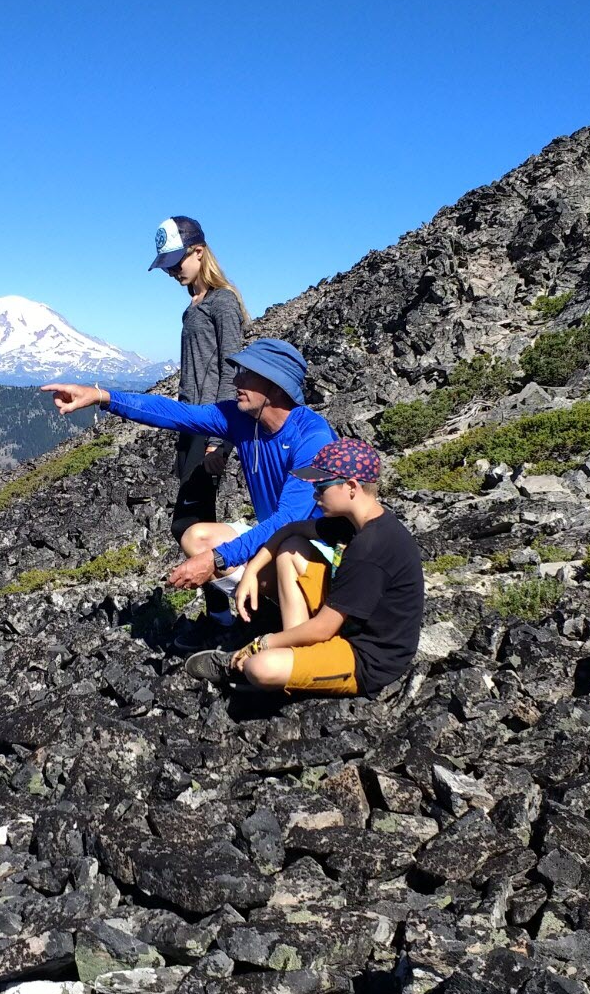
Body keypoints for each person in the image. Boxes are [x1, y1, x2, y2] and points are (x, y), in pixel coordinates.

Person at [42, 338, 337, 646]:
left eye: (247, 375)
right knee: (196, 537)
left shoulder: (312, 438)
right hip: (278, 545)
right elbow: (177, 414)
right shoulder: (241, 419)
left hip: (319, 557)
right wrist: (101, 397)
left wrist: (217, 559)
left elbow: (289, 520)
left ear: (277, 386)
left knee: (288, 543)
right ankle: (252, 618)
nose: (236, 380)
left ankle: (301, 639)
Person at [185, 437, 424, 697]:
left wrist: (261, 644)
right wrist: (251, 572)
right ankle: (296, 653)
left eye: (321, 486)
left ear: (351, 487)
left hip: (367, 657)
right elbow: (291, 529)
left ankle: (268, 668)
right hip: (346, 623)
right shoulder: (354, 523)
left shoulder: (370, 548)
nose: (315, 494)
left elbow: (323, 628)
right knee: (292, 547)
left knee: (261, 667)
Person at [148, 215, 250, 544]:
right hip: (190, 423)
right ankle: (228, 593)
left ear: (199, 252)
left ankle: (248, 577)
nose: (172, 271)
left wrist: (219, 439)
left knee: (188, 526)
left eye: (177, 262)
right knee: (200, 521)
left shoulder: (222, 301)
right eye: (167, 265)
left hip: (209, 423)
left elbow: (231, 368)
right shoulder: (194, 305)